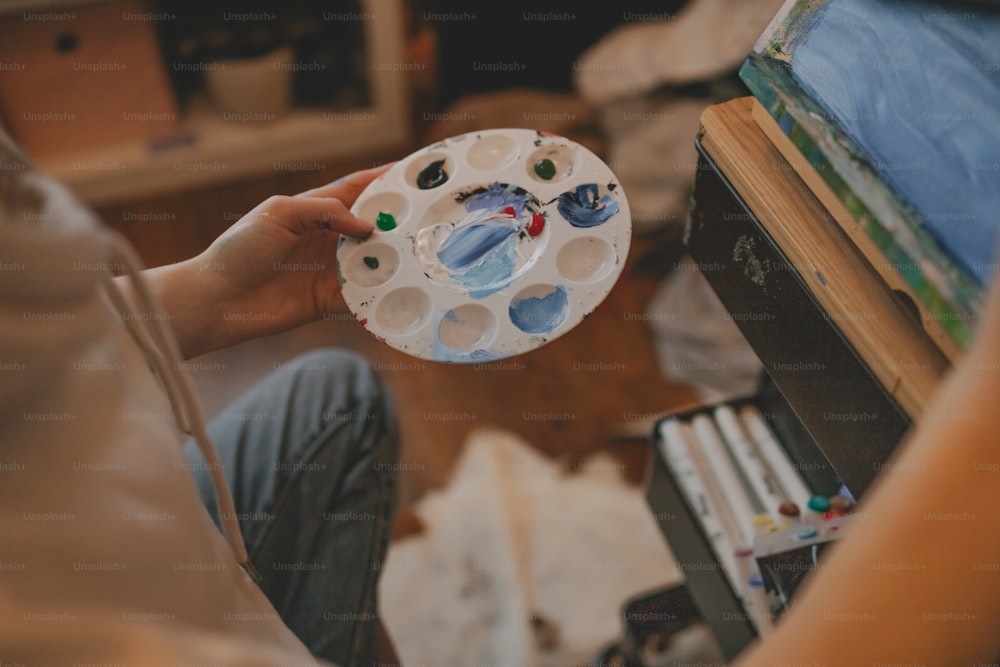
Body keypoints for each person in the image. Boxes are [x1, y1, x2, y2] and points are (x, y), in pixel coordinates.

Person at [0, 128, 399, 666]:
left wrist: (215, 289)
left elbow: (38, 349)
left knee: (333, 396)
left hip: (143, 539)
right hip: (133, 614)